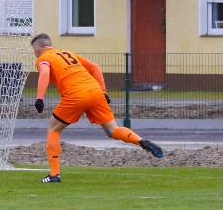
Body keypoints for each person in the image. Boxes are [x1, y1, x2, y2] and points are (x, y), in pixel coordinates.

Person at [31, 33, 164, 183]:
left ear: (37, 49)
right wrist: (103, 91)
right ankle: (140, 141)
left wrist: (39, 98)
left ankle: (54, 175)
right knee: (113, 130)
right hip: (95, 91)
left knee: (53, 129)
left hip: (75, 94)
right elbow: (95, 67)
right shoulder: (68, 53)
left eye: (34, 51)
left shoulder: (43, 59)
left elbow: (45, 73)